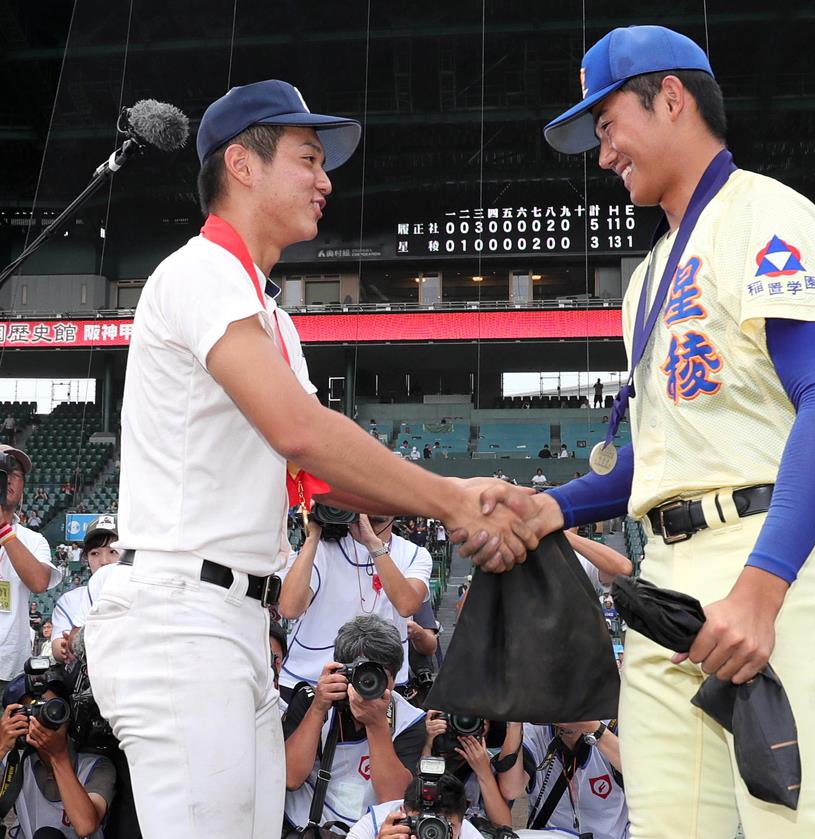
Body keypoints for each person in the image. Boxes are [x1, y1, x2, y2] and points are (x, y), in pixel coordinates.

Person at [84, 80, 535, 839]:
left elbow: (321, 470)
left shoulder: (273, 318)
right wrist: (453, 497)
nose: (326, 181)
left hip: (233, 621)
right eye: (308, 158)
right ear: (243, 164)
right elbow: (300, 431)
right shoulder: (197, 271)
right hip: (181, 615)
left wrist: (449, 497)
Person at [494, 24, 815, 838]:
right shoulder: (647, 278)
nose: (603, 154)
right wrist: (556, 506)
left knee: (795, 828)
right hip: (666, 582)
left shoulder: (767, 213)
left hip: (770, 559)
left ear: (670, 98)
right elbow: (663, 454)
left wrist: (762, 591)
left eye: (607, 125)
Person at [283, 615, 426, 831]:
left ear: (394, 679)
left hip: (374, 831)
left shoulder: (409, 719)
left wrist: (377, 725)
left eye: (378, 675)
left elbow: (394, 800)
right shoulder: (313, 699)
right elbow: (290, 778)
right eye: (362, 673)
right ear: (342, 670)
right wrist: (318, 708)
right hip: (305, 827)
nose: (368, 684)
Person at [278, 513, 431, 693]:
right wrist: (313, 538)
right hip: (311, 679)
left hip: (378, 682)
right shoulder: (322, 547)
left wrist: (373, 544)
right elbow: (289, 609)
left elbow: (407, 605)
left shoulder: (414, 554)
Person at [0, 668, 116, 839]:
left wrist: (58, 756)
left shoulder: (96, 767)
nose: (45, 718)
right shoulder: (15, 764)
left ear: (68, 716)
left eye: (53, 708)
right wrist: (2, 748)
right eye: (33, 711)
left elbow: (85, 826)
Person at [0, 445, 61, 695]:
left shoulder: (33, 540)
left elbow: (39, 582)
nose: (10, 481)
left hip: (10, 667)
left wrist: (4, 528)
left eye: (17, 475)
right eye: (4, 473)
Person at [500, 720, 628, 839]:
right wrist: (515, 722)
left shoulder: (613, 725)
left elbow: (641, 774)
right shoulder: (534, 730)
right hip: (551, 833)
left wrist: (592, 727)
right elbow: (510, 790)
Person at [51, 515, 120, 663]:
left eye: (113, 552)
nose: (104, 561)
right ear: (86, 558)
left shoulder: (143, 592)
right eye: (94, 553)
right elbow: (58, 646)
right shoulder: (70, 600)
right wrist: (64, 648)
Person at [344, 772, 486, 839]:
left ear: (462, 823)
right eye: (422, 823)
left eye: (444, 827)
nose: (431, 835)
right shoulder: (375, 824)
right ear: (401, 813)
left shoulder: (470, 836)